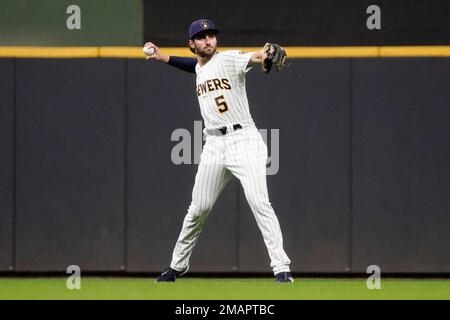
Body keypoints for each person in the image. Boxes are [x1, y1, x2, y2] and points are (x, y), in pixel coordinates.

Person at [144, 19, 293, 283]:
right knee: (198, 208)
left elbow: (254, 57)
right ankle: (176, 266)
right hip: (213, 145)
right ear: (192, 44)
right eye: (201, 37)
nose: (208, 40)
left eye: (211, 35)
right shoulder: (201, 68)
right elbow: (195, 67)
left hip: (244, 139)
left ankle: (281, 268)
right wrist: (162, 57)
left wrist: (265, 54)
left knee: (259, 202)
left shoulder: (227, 60)